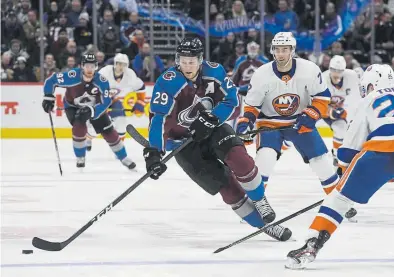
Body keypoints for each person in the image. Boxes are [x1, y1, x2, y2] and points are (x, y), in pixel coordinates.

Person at [285, 64, 394, 269]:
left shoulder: (369, 99)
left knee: (339, 199)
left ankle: (311, 245)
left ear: (372, 85)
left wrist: (346, 173)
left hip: (382, 152)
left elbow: (348, 149)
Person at [142, 37, 292, 241]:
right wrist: (153, 152)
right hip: (182, 145)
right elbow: (158, 119)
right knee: (227, 188)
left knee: (241, 161)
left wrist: (211, 118)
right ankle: (266, 226)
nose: (187, 65)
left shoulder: (215, 72)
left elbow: (232, 101)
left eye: (192, 61)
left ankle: (261, 201)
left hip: (213, 129)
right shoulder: (167, 82)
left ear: (200, 59)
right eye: (183, 61)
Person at [236, 32, 356, 220]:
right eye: (277, 50)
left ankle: (337, 201)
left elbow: (322, 97)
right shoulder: (261, 74)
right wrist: (245, 123)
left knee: (322, 162)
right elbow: (252, 106)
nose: (281, 54)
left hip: (299, 121)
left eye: (285, 49)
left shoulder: (309, 69)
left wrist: (312, 114)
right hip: (270, 122)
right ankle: (257, 203)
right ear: (272, 51)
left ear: (292, 51)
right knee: (265, 159)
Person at [42, 54, 135, 169]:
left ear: (96, 67)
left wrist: (92, 111)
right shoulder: (71, 76)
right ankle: (80, 157)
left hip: (94, 108)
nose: (90, 69)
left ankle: (124, 157)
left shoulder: (102, 81)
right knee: (79, 126)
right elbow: (51, 81)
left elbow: (106, 101)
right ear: (82, 66)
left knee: (108, 131)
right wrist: (48, 97)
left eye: (93, 66)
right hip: (73, 106)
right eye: (87, 66)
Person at [86, 53, 145, 151]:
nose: (120, 67)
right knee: (97, 126)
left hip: (114, 101)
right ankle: (88, 138)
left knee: (121, 122)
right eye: (119, 63)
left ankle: (119, 147)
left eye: (123, 64)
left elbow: (141, 87)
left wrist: (140, 102)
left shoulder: (130, 75)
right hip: (99, 100)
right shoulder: (104, 72)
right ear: (115, 63)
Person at [321, 55, 361, 165]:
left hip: (338, 109)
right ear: (329, 68)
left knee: (341, 128)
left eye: (339, 71)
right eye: (333, 70)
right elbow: (315, 102)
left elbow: (363, 84)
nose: (336, 73)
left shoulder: (352, 76)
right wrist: (330, 111)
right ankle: (283, 146)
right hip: (321, 108)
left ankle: (336, 154)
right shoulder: (322, 80)